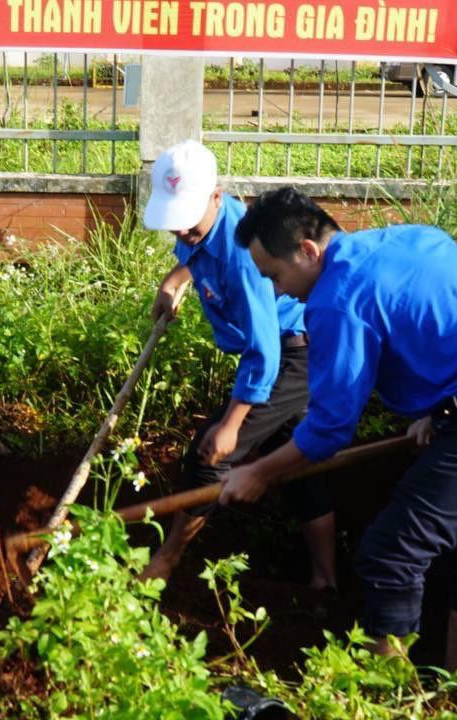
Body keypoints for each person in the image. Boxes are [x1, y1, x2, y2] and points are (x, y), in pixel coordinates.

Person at [220, 188, 457, 669]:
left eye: (275, 276)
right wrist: (443, 408)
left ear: (307, 251)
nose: (277, 291)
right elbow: (447, 315)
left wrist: (258, 472)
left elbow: (328, 431)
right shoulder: (410, 238)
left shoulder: (337, 297)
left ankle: (384, 694)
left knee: (390, 553)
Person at [138, 141, 337, 593]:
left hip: (292, 355)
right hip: (289, 351)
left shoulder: (244, 256)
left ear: (216, 196)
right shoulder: (207, 226)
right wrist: (172, 281)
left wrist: (231, 424)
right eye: (174, 221)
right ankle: (326, 581)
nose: (181, 230)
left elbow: (263, 351)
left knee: (210, 454)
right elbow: (196, 255)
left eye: (188, 220)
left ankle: (165, 561)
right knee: (299, 460)